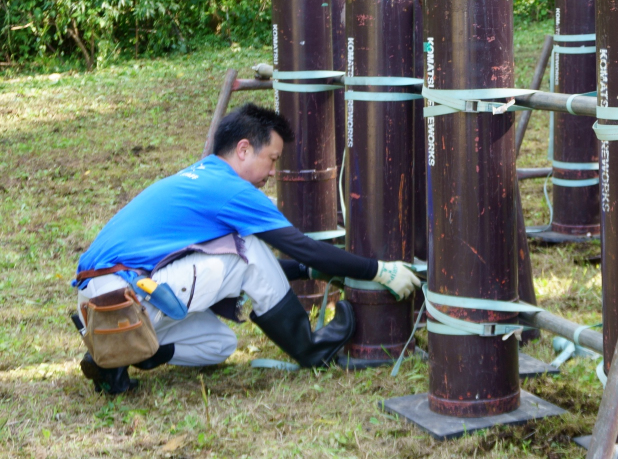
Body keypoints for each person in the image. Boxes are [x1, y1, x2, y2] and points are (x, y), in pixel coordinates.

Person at [73, 104, 421, 394]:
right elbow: (299, 248)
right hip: (124, 297)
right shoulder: (231, 190)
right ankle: (312, 349)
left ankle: (120, 355)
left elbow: (228, 264)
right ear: (243, 150)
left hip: (101, 304)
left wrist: (305, 272)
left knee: (219, 344)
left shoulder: (201, 175)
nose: (273, 171)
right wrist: (378, 270)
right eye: (272, 159)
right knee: (247, 248)